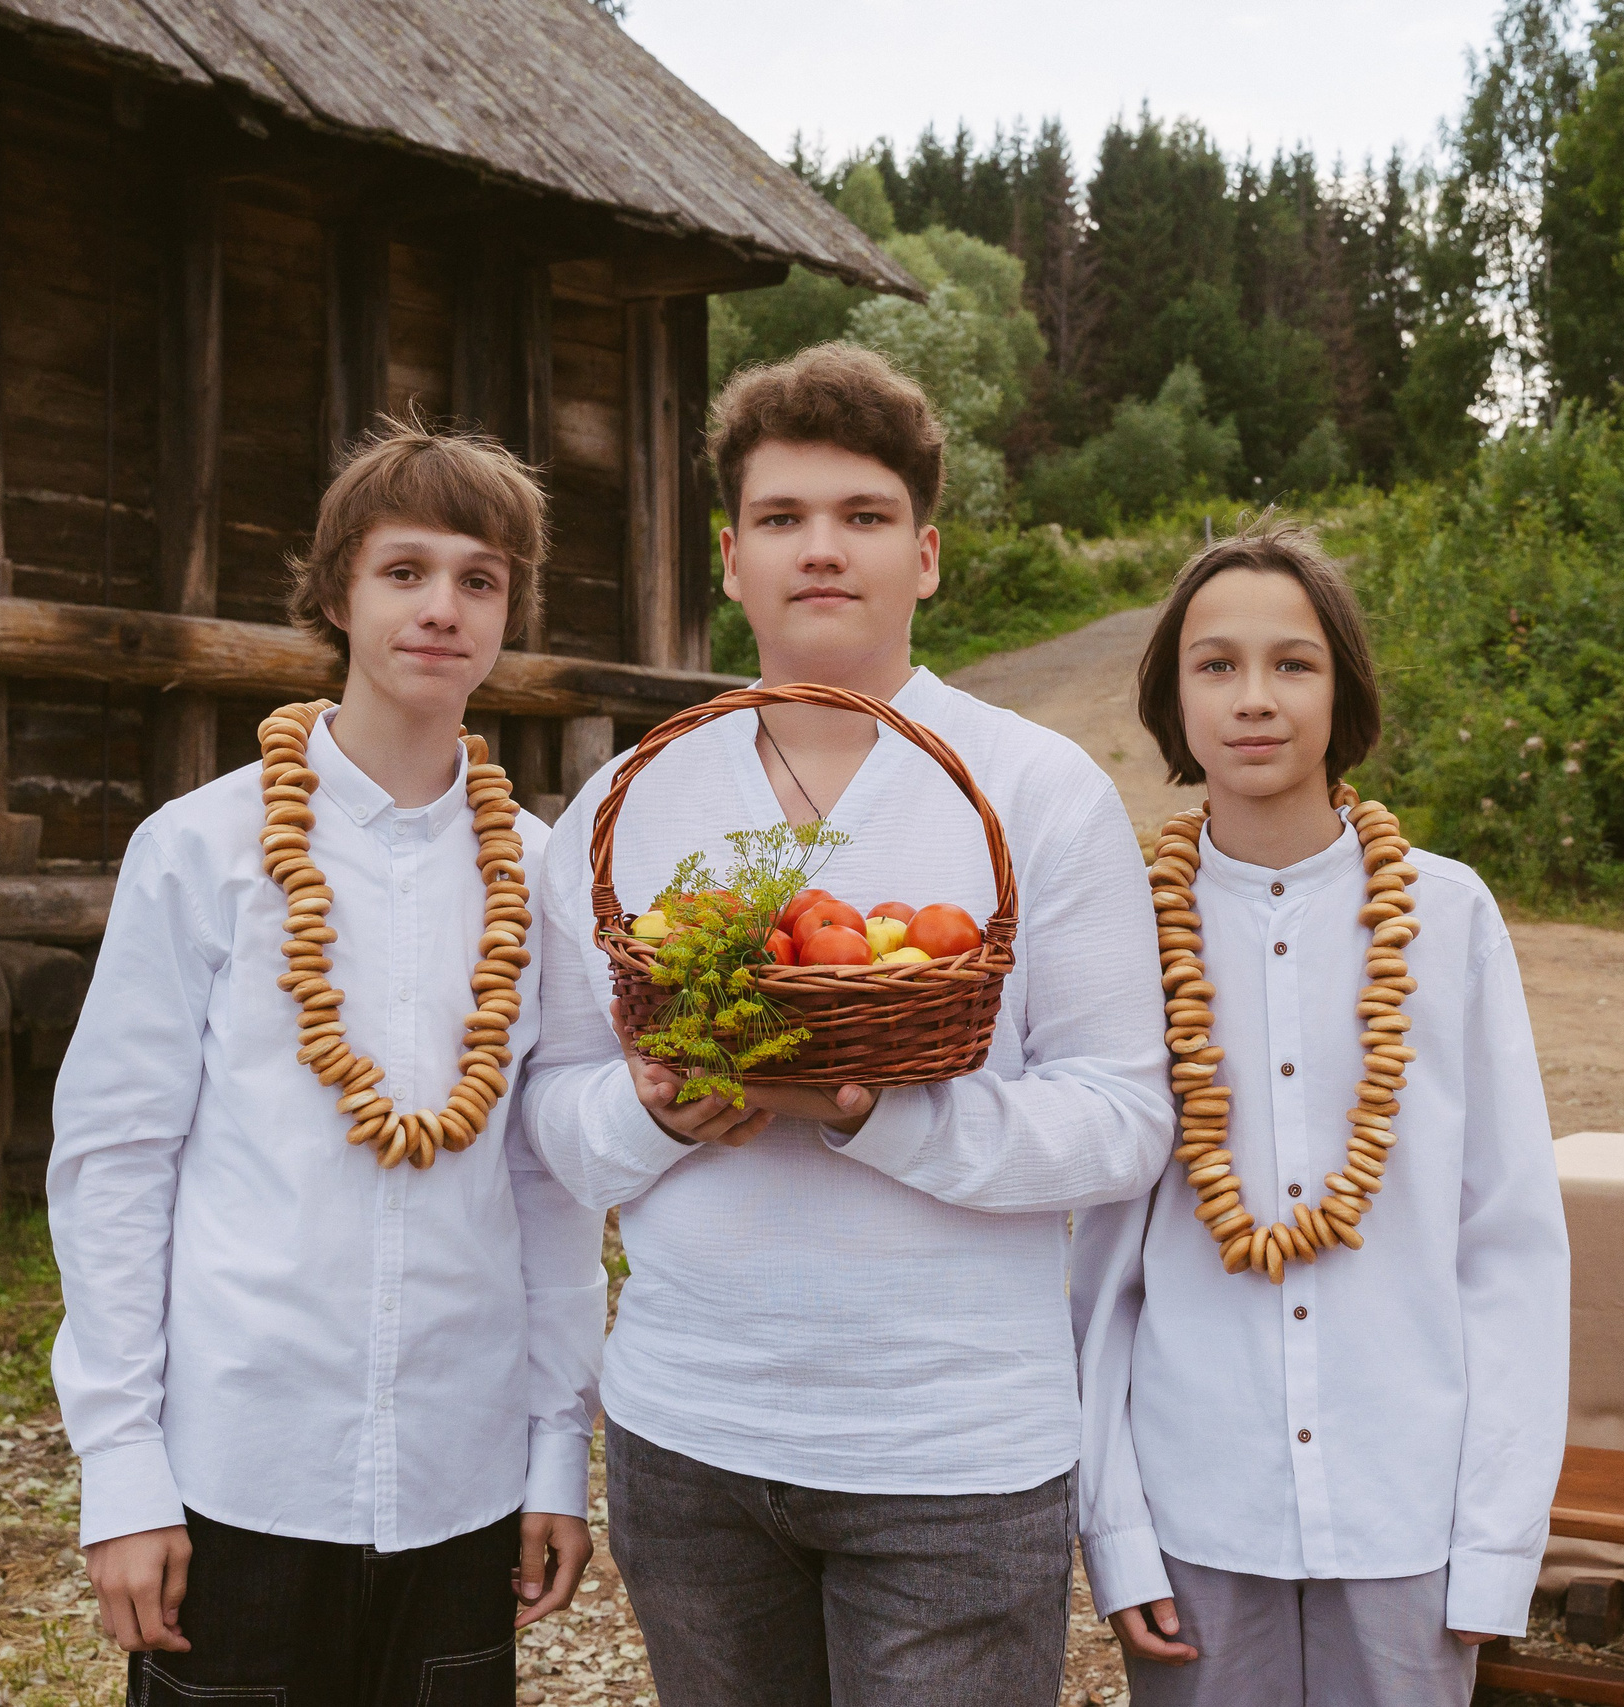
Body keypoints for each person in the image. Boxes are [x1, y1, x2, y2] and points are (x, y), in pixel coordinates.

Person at [521, 343, 1175, 1707]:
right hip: (688, 1437)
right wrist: (650, 1109)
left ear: (925, 556)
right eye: (782, 517)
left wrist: (878, 1112)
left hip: (952, 1453)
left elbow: (1122, 1120)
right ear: (730, 559)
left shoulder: (1035, 791)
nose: (822, 548)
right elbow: (558, 1118)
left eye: (864, 515)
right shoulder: (631, 803)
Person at [47, 417, 604, 1707]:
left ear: (507, 613)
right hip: (239, 1468)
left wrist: (553, 1451)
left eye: (479, 579)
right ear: (336, 595)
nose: (441, 607)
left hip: (465, 1480)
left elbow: (548, 1184)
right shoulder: (201, 850)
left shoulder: (542, 875)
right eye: (404, 571)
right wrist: (122, 1470)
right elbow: (116, 1162)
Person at [1073, 522, 1571, 1707]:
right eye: (1215, 665)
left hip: (1408, 1509)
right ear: (1172, 697)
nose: (1254, 698)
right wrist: (1115, 1529)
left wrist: (1495, 1541)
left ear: (1341, 689)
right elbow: (1092, 1270)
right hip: (1196, 1505)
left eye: (1291, 664)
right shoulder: (1121, 929)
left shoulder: (1446, 916)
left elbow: (1507, 1241)